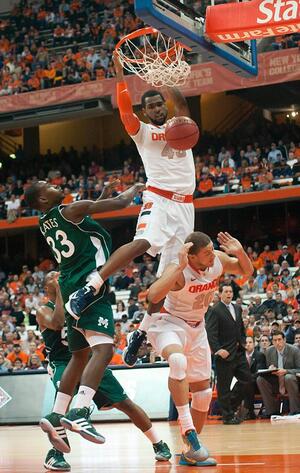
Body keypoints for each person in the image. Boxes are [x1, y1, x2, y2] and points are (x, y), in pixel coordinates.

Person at [66, 51, 196, 366]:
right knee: (141, 243)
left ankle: (140, 333)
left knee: (172, 276)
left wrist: (164, 81)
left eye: (158, 104)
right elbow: (124, 107)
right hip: (159, 197)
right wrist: (120, 74)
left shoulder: (179, 124)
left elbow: (182, 107)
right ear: (144, 110)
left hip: (186, 207)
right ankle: (92, 285)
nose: (156, 108)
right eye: (149, 105)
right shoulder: (141, 132)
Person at [24, 179, 143, 452]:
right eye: (48, 187)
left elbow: (83, 217)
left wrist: (101, 194)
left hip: (68, 284)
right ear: (43, 200)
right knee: (103, 350)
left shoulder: (46, 221)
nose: (55, 186)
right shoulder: (70, 210)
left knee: (79, 356)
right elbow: (122, 203)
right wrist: (135, 190)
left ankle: (56, 414)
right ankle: (80, 410)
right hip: (89, 285)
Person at [36, 272, 171, 469]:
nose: (59, 276)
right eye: (53, 276)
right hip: (63, 362)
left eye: (60, 274)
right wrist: (59, 290)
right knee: (60, 407)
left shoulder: (78, 303)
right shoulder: (42, 310)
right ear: (46, 288)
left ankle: (158, 443)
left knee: (126, 404)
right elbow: (57, 323)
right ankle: (56, 454)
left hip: (89, 360)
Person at [145, 231, 253, 465]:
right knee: (177, 361)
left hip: (198, 327)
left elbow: (246, 271)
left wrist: (240, 251)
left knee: (203, 394)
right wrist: (178, 265)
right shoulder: (179, 270)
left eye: (211, 250)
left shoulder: (216, 260)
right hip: (170, 324)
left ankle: (190, 451)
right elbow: (152, 295)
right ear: (191, 257)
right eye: (205, 253)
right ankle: (188, 429)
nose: (211, 255)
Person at [206, 284, 254, 425]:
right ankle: (227, 417)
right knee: (224, 388)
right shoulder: (214, 310)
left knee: (248, 380)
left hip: (238, 352)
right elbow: (210, 332)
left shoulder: (237, 308)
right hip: (224, 355)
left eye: (230, 291)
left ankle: (231, 408)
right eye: (226, 291)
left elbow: (240, 328)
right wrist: (218, 350)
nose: (228, 294)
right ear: (220, 294)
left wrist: (244, 342)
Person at [257, 330, 300, 417]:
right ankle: (272, 411)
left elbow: (299, 369)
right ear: (272, 341)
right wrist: (270, 369)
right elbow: (269, 369)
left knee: (288, 377)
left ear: (284, 340)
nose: (277, 342)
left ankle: (295, 411)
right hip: (276, 381)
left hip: (291, 382)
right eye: (275, 340)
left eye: (279, 339)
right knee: (260, 379)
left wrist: (286, 371)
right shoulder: (269, 351)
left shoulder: (294, 350)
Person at [232, 336, 266, 420]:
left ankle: (247, 411)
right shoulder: (239, 356)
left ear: (254, 344)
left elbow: (259, 372)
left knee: (247, 384)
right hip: (243, 383)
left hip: (257, 384)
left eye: (250, 342)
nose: (248, 344)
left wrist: (246, 379)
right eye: (246, 343)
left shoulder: (259, 355)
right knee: (236, 385)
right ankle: (231, 411)